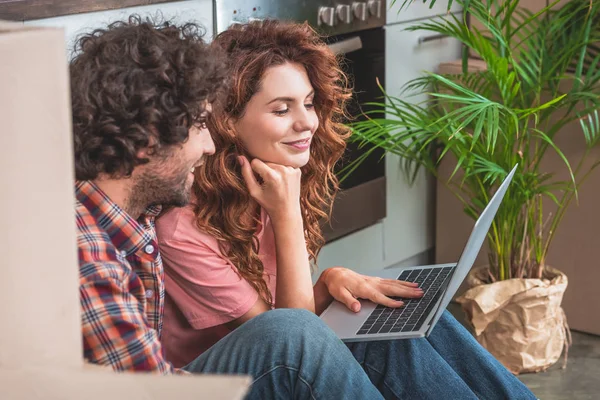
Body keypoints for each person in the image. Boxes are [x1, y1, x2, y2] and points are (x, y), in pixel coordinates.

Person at [156, 20, 537, 400]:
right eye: (281, 109)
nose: (307, 122)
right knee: (361, 324)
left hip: (281, 343)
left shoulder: (271, 179)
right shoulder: (183, 227)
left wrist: (329, 281)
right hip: (228, 383)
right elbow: (287, 340)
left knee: (389, 310)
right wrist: (287, 215)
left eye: (307, 103)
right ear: (228, 123)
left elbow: (291, 312)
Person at [72, 16, 391, 399]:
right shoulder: (90, 260)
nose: (210, 144)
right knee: (296, 334)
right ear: (146, 142)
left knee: (387, 318)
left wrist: (326, 284)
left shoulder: (138, 219)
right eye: (198, 126)